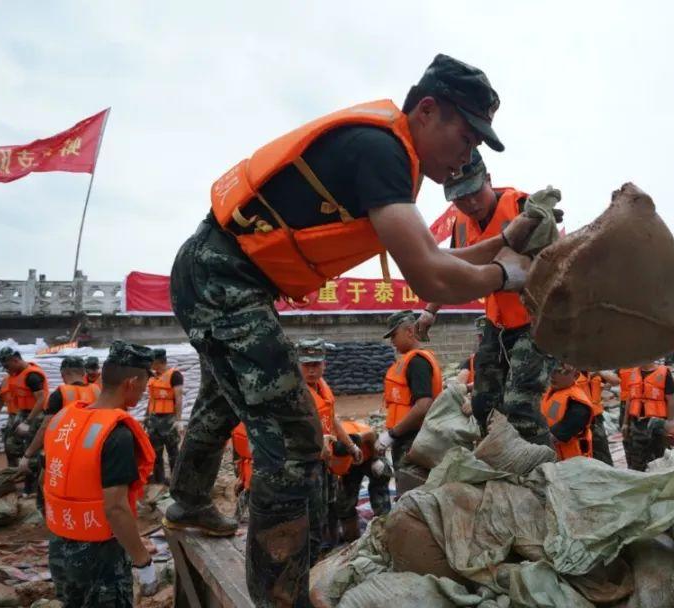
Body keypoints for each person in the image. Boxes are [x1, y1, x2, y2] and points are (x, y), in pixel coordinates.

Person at [162, 53, 544, 605]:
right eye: (466, 135)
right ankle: (278, 598)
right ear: (428, 110)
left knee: (224, 396)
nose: (470, 153)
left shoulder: (389, 155)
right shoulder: (383, 150)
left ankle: (189, 499)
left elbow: (435, 254)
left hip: (217, 271)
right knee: (294, 439)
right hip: (224, 276)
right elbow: (429, 273)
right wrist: (507, 273)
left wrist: (509, 242)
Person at [416, 150, 559, 447]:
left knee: (520, 406)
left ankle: (544, 472)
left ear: (489, 179)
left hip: (536, 323)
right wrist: (430, 310)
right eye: (459, 197)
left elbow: (558, 263)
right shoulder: (462, 223)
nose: (469, 203)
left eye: (473, 192)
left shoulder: (522, 208)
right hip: (498, 325)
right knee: (483, 404)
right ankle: (501, 466)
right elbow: (454, 268)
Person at [44, 341, 159, 607]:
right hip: (99, 555)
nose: (144, 392)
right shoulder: (117, 434)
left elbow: (47, 479)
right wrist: (143, 563)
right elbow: (116, 509)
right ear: (131, 382)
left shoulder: (64, 420)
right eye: (144, 385)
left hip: (61, 546)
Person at [295, 338, 360, 551]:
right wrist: (316, 443)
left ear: (324, 364)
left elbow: (332, 420)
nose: (312, 370)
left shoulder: (322, 388)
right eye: (306, 365)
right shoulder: (293, 393)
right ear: (297, 364)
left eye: (316, 364)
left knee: (328, 506)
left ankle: (327, 547)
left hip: (324, 463)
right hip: (304, 465)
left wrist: (351, 446)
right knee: (309, 514)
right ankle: (310, 556)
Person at [21, 356, 100, 511]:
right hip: (91, 448)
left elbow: (46, 427)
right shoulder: (97, 391)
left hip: (64, 450)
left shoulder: (60, 394)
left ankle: (53, 516)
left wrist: (28, 454)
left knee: (49, 485)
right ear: (83, 372)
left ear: (63, 374)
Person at [376, 312, 443, 470]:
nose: (392, 342)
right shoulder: (411, 360)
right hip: (408, 438)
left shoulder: (417, 362)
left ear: (410, 332)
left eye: (394, 335)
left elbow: (423, 405)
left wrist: (392, 434)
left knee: (411, 491)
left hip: (414, 441)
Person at [0, 347, 49, 495]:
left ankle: (32, 489)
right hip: (23, 414)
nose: (6, 369)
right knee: (11, 446)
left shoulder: (32, 376)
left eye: (7, 365)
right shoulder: (16, 375)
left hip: (35, 416)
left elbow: (41, 400)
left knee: (32, 453)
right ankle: (15, 477)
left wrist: (28, 422)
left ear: (15, 360)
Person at [333, 419, 391, 543]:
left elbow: (372, 436)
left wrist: (376, 459)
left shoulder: (357, 438)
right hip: (349, 464)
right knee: (344, 500)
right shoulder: (328, 446)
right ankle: (351, 538)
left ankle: (384, 532)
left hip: (369, 452)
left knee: (380, 486)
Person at [619, 360, 674, 471]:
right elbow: (630, 399)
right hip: (636, 422)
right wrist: (625, 423)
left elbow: (671, 401)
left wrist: (669, 425)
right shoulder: (634, 373)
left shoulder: (664, 373)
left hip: (657, 423)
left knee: (658, 458)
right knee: (636, 458)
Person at [144, 348, 184, 485]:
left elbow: (179, 398)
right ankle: (159, 479)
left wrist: (178, 420)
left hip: (169, 420)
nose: (150, 364)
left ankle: (175, 480)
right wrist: (146, 417)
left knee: (173, 452)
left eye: (152, 361)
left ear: (159, 361)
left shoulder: (175, 375)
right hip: (154, 420)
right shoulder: (152, 377)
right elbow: (151, 399)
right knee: (155, 453)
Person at [540, 363, 595, 461]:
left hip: (571, 464)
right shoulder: (550, 393)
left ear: (575, 375)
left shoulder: (578, 404)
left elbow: (556, 435)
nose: (553, 375)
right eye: (553, 370)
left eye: (562, 372)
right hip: (552, 459)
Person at [578, 370, 613, 465]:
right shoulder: (571, 376)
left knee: (602, 452)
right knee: (585, 453)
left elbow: (615, 381)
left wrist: (599, 372)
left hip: (596, 420)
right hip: (580, 421)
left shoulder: (595, 374)